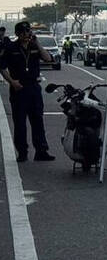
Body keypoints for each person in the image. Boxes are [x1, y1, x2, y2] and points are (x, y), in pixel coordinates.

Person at [0, 21, 55, 162]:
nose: (26, 34)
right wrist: (12, 82)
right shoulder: (11, 48)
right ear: (18, 34)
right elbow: (2, 67)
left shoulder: (34, 47)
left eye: (28, 31)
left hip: (33, 88)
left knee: (37, 120)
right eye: (23, 32)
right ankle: (22, 152)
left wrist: (37, 43)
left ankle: (41, 151)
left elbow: (48, 59)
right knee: (20, 123)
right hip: (19, 88)